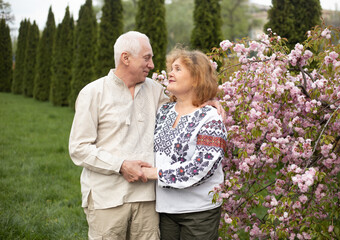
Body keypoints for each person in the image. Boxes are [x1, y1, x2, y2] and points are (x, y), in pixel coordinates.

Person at [69, 31, 225, 240]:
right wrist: (121, 165)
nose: (152, 65)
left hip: (148, 201)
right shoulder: (93, 93)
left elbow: (188, 104)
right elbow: (78, 149)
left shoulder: (155, 91)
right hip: (107, 198)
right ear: (126, 58)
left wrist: (210, 101)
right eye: (147, 58)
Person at [142, 49, 227, 240]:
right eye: (171, 68)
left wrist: (155, 173)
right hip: (166, 209)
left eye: (178, 69)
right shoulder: (163, 111)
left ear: (196, 78)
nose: (170, 73)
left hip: (199, 212)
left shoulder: (211, 118)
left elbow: (202, 167)